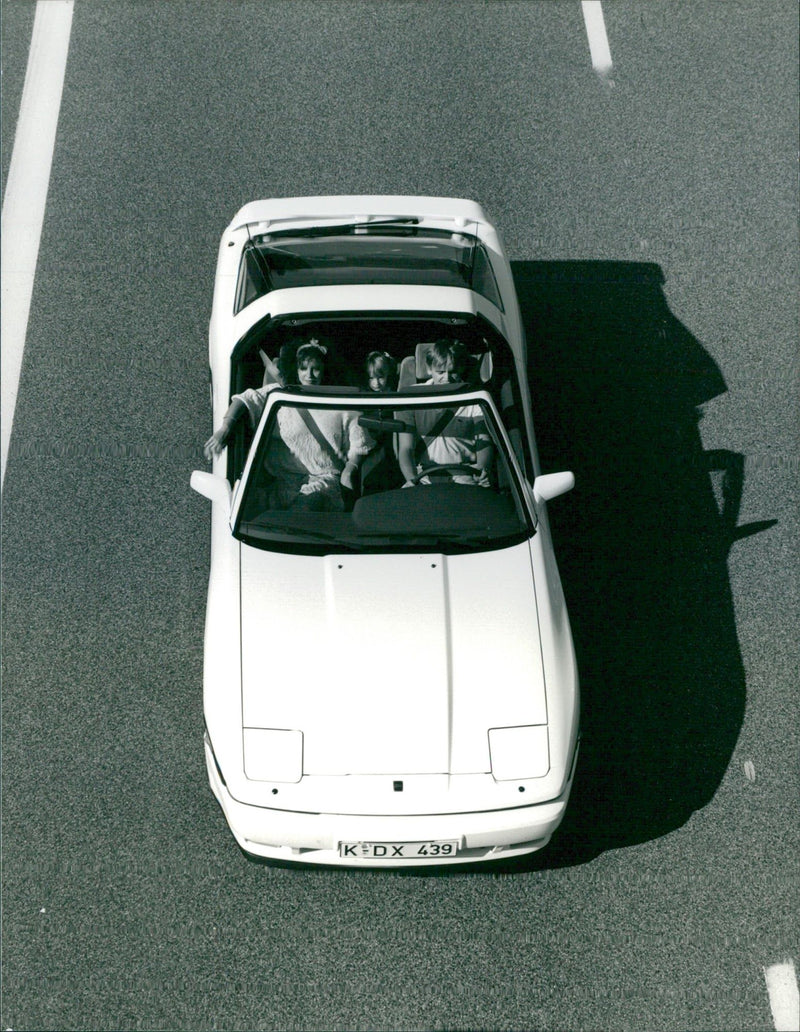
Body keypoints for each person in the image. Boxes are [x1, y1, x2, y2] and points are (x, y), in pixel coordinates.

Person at [204, 338, 372, 510]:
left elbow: (359, 445)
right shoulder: (279, 393)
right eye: (304, 368)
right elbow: (245, 399)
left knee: (305, 509)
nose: (310, 375)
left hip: (324, 481)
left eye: (316, 369)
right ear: (295, 368)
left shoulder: (341, 402)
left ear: (325, 370)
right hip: (278, 481)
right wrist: (224, 429)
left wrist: (350, 469)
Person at [397, 340, 493, 487]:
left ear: (461, 369)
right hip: (425, 476)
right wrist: (411, 479)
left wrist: (482, 469)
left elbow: (484, 442)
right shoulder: (412, 397)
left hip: (465, 475)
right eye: (440, 372)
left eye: (453, 371)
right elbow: (405, 448)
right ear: (429, 369)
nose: (447, 378)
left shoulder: (474, 397)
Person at [359, 351, 404, 494]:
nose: (376, 383)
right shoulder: (363, 397)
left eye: (380, 377)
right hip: (370, 447)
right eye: (371, 378)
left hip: (392, 447)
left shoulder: (395, 394)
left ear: (388, 374)